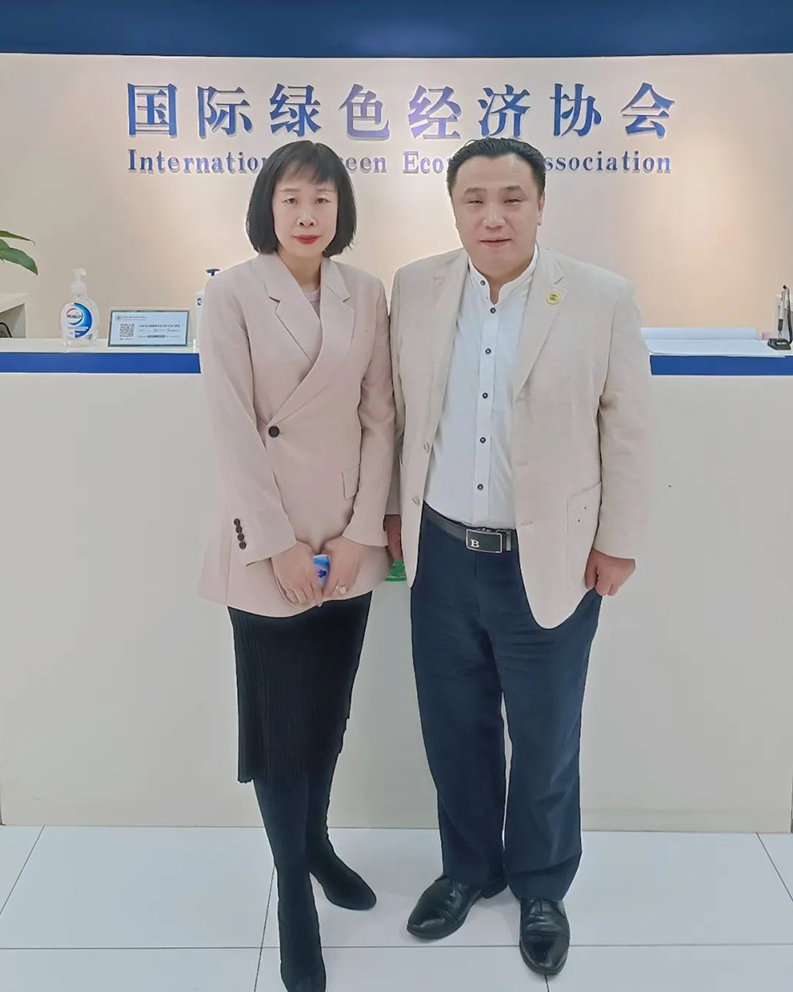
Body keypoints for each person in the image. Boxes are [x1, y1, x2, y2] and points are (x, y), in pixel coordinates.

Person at [385, 136, 652, 977]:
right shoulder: (416, 287)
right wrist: (392, 515)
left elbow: (629, 428)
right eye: (474, 199)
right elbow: (396, 413)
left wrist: (618, 542)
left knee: (545, 736)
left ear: (540, 205)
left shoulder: (600, 297)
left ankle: (541, 884)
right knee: (454, 728)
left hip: (553, 558)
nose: (492, 216)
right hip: (440, 552)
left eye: (511, 198)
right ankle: (469, 870)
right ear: (453, 207)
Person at [198, 139, 394, 992]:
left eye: (322, 199)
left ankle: (315, 843)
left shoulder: (366, 293)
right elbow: (232, 426)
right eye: (291, 199)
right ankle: (293, 893)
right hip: (265, 540)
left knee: (329, 714)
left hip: (345, 540)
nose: (308, 215)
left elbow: (381, 417)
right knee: (281, 731)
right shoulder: (233, 293)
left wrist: (359, 533)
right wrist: (275, 543)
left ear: (341, 210)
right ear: (267, 209)